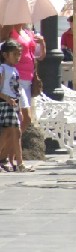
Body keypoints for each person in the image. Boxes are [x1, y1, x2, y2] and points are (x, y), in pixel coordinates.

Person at [2, 23, 44, 129]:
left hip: (27, 79)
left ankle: (15, 142)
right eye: (16, 54)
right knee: (22, 118)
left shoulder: (28, 33)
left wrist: (42, 44)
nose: (18, 57)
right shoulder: (8, 31)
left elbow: (39, 56)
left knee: (24, 119)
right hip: (16, 82)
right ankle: (13, 142)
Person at [0, 40, 26, 172]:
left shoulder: (15, 70)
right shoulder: (2, 69)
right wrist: (7, 99)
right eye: (15, 54)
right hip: (5, 104)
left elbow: (16, 90)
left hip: (13, 104)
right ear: (5, 55)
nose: (18, 57)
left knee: (11, 133)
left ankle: (19, 162)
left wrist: (19, 108)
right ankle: (20, 163)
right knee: (13, 132)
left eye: (19, 54)